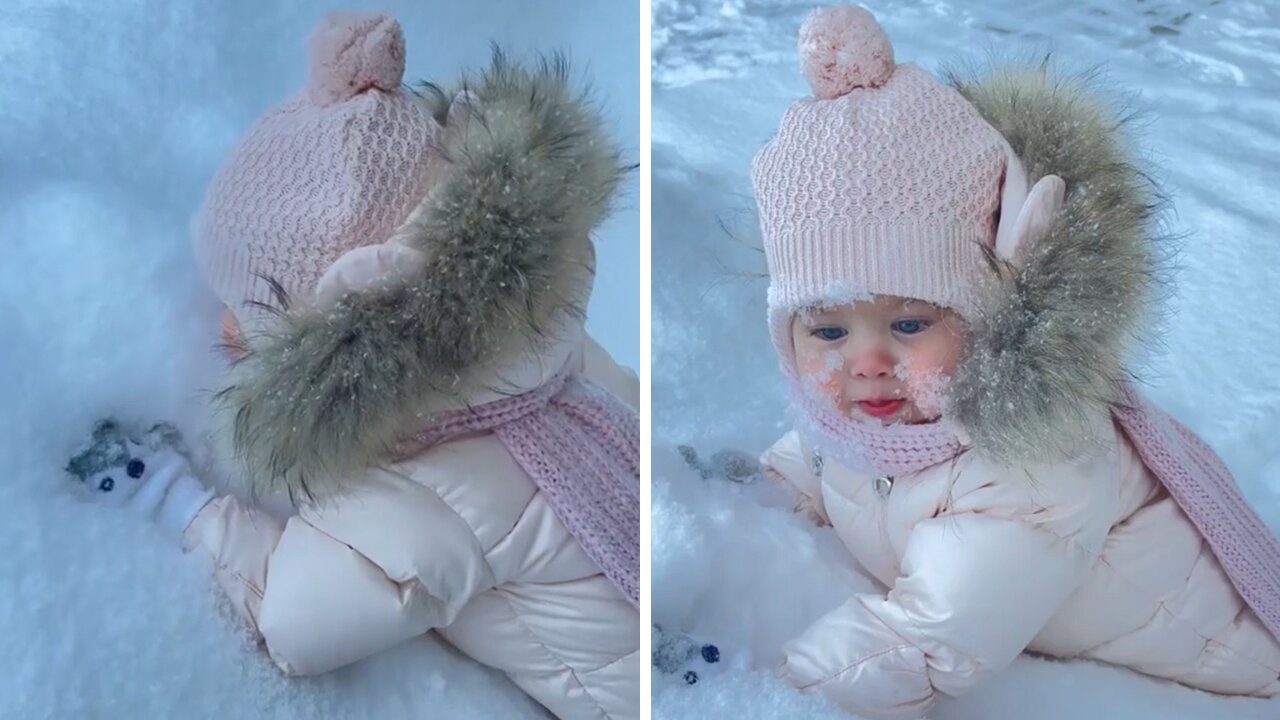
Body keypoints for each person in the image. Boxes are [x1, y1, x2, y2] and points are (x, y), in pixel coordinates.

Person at [64, 12, 639, 720]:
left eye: (251, 309)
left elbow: (296, 623)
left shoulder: (422, 488)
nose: (223, 326)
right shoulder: (549, 341)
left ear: (343, 333)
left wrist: (182, 505)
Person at [750, 5, 1280, 718]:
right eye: (827, 330)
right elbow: (817, 461)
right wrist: (739, 503)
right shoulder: (874, 414)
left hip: (1240, 670)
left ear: (986, 315)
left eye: (909, 323)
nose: (866, 362)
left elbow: (926, 640)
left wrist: (769, 697)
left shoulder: (1031, 467)